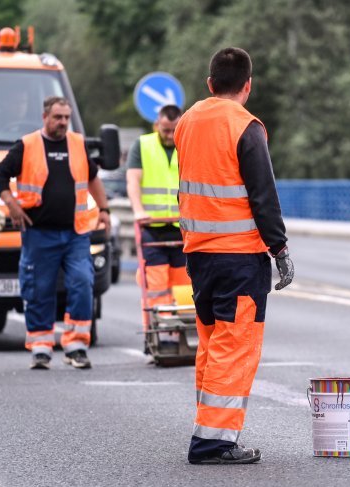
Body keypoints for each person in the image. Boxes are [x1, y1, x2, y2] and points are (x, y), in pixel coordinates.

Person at [177, 47, 294, 465]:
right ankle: (212, 442)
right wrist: (279, 248)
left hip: (199, 256)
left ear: (210, 85)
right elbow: (263, 194)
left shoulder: (186, 122)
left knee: (211, 345)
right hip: (238, 258)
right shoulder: (247, 127)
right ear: (248, 85)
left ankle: (209, 428)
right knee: (234, 346)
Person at [0, 96, 111, 371]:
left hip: (76, 232)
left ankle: (76, 346)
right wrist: (13, 206)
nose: (63, 123)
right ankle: (41, 348)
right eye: (58, 117)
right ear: (45, 117)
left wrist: (104, 209)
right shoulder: (27, 145)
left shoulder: (77, 144)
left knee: (82, 284)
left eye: (67, 118)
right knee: (39, 289)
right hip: (39, 233)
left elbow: (93, 178)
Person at [126, 104, 189, 346]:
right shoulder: (142, 145)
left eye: (174, 130)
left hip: (182, 227)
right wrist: (138, 211)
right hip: (152, 227)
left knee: (184, 285)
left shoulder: (188, 145)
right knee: (156, 284)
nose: (170, 135)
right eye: (165, 130)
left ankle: (182, 334)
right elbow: (133, 181)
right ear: (157, 125)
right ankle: (157, 334)